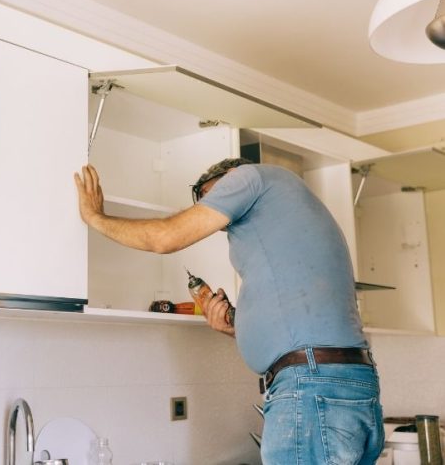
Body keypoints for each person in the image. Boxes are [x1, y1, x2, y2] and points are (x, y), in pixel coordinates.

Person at [74, 158, 384, 465]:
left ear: (231, 175)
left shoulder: (249, 178)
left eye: (214, 198)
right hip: (344, 384)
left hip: (311, 386)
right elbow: (299, 316)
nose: (220, 216)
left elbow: (164, 238)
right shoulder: (292, 205)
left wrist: (94, 216)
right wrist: (236, 327)